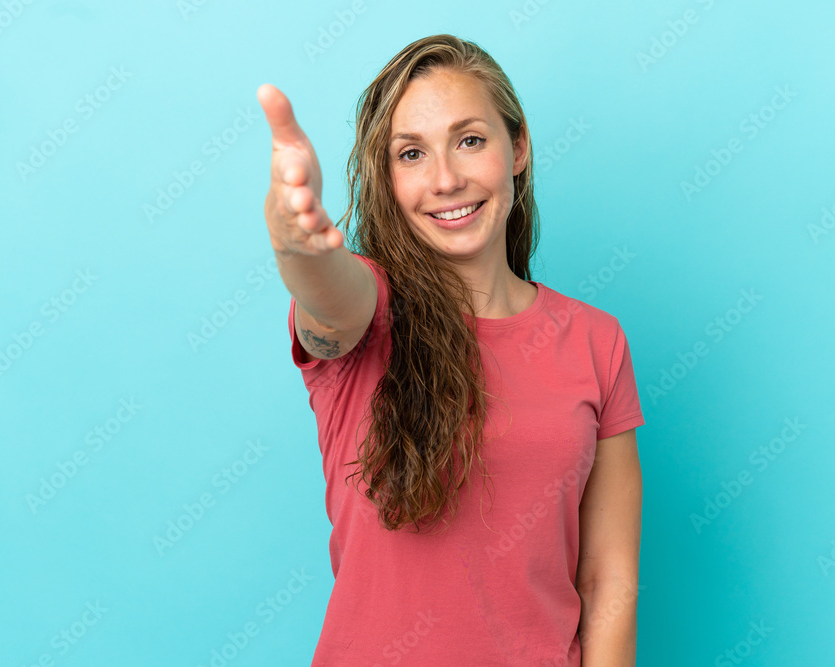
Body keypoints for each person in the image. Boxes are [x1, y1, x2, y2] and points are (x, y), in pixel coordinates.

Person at [257, 34, 645, 666]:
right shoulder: (370, 312)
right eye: (411, 153)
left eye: (470, 140)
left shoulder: (597, 341)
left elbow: (609, 584)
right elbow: (330, 298)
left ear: (516, 148)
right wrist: (296, 244)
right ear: (387, 178)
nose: (445, 179)